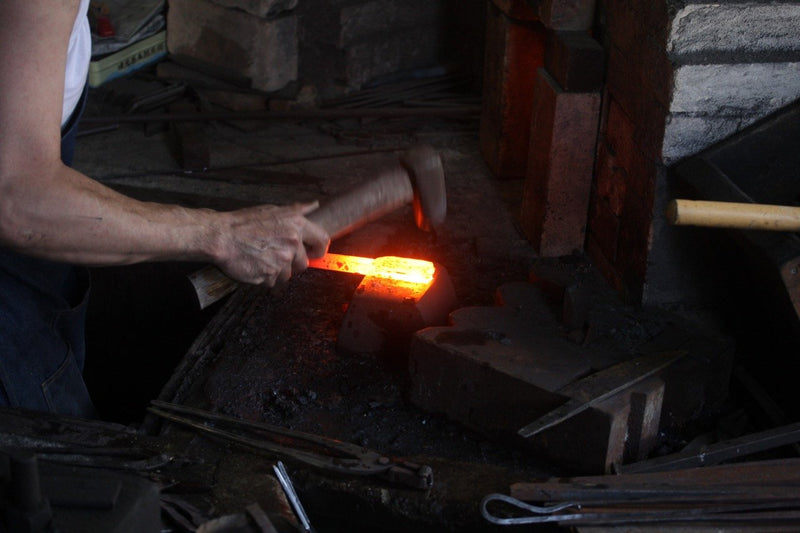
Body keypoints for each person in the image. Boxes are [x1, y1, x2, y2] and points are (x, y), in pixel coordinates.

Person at [0, 1, 330, 418]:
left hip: (38, 279)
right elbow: (18, 199)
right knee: (59, 475)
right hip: (9, 312)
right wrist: (221, 235)